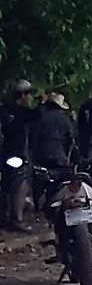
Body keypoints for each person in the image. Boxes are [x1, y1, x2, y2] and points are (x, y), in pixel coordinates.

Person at [0, 80, 37, 230]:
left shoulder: (5, 109)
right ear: (22, 95)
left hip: (6, 155)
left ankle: (9, 216)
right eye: (29, 94)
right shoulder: (21, 112)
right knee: (19, 184)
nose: (30, 98)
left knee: (8, 186)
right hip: (15, 155)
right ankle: (16, 217)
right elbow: (36, 115)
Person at [32, 93, 76, 169]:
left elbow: (34, 136)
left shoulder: (41, 116)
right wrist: (68, 157)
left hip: (41, 155)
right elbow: (70, 139)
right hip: (59, 156)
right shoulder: (64, 118)